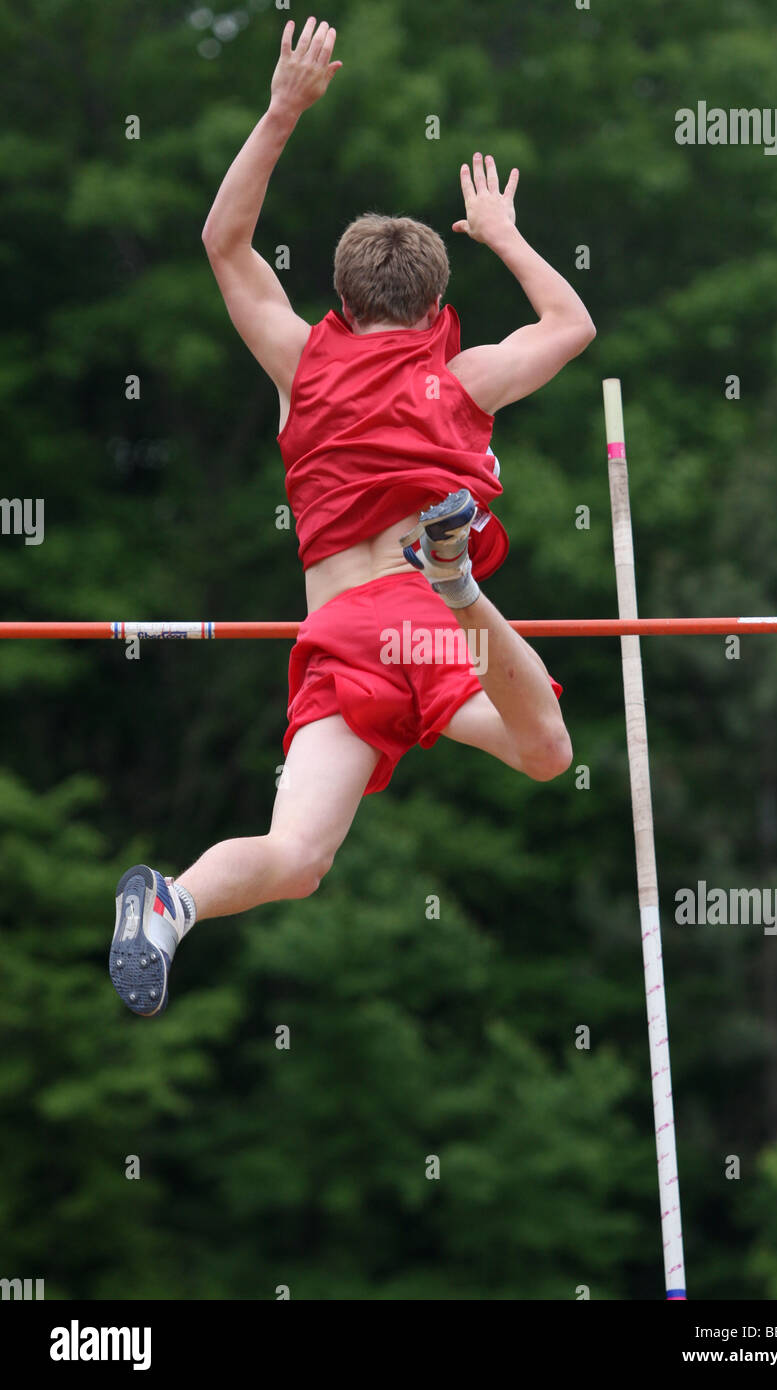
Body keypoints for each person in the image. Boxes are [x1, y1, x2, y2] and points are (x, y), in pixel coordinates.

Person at [109, 16, 596, 1017]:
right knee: (547, 751)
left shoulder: (301, 364)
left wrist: (282, 111)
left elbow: (222, 242)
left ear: (337, 294)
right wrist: (503, 234)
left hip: (341, 633)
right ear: (434, 306)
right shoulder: (466, 379)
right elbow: (574, 326)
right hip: (424, 617)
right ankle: (459, 582)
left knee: (296, 858)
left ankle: (173, 899)